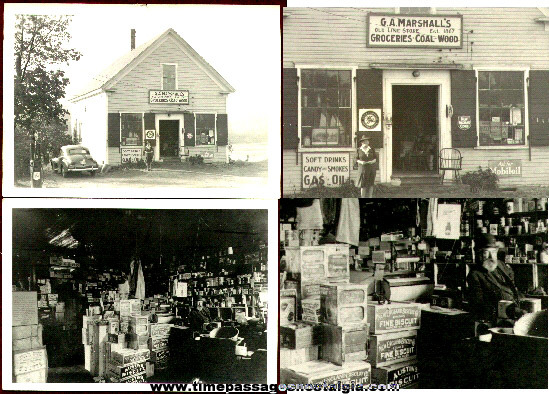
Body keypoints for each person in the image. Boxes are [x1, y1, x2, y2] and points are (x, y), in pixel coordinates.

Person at [467, 234, 525, 323]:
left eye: (494, 252)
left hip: (515, 314)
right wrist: (508, 310)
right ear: (479, 254)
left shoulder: (501, 265)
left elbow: (513, 289)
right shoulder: (475, 275)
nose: (491, 257)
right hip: (496, 320)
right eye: (486, 252)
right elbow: (480, 307)